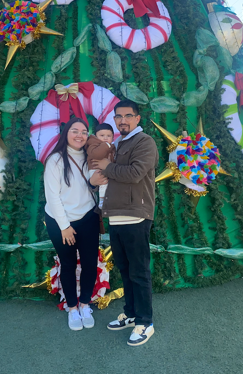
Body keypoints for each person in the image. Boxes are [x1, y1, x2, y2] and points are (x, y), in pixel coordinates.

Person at [91, 99, 159, 347]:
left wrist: (108, 166)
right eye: (118, 116)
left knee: (139, 272)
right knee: (125, 269)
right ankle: (131, 314)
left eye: (128, 116)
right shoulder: (117, 143)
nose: (122, 120)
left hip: (136, 215)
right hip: (116, 215)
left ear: (137, 118)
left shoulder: (145, 142)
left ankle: (145, 322)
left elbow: (134, 173)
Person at [43, 117, 107, 332]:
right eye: (75, 130)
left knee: (90, 263)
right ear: (66, 133)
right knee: (68, 264)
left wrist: (97, 185)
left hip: (87, 218)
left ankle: (85, 304)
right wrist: (64, 226)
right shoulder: (56, 160)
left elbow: (91, 186)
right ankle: (72, 308)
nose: (79, 135)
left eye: (84, 131)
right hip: (60, 222)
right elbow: (53, 196)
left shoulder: (92, 158)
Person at [85, 123, 115, 209]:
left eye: (108, 136)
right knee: (104, 182)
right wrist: (106, 145)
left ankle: (107, 200)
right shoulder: (93, 144)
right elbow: (96, 155)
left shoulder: (112, 147)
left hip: (105, 168)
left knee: (108, 183)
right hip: (95, 169)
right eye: (102, 135)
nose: (105, 138)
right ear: (96, 136)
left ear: (113, 137)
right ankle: (102, 201)